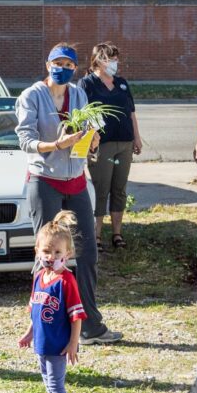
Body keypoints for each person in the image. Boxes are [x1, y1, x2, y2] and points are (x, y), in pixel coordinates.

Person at [17, 43, 122, 346]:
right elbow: (25, 140)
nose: (62, 67)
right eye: (57, 62)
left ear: (76, 68)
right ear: (47, 64)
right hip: (44, 179)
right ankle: (41, 321)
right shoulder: (32, 96)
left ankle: (89, 324)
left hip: (75, 179)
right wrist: (55, 145)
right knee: (46, 253)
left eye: (68, 64)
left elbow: (87, 131)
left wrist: (91, 141)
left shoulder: (78, 94)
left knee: (87, 252)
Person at [19, 210, 85, 393]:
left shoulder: (66, 281)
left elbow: (76, 316)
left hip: (59, 344)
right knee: (48, 382)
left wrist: (73, 343)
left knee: (56, 384)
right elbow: (35, 312)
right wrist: (29, 333)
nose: (51, 257)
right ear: (37, 251)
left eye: (57, 252)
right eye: (47, 251)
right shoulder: (39, 277)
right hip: (42, 343)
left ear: (68, 253)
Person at [79, 42, 142, 251]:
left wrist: (137, 137)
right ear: (98, 60)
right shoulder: (87, 84)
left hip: (124, 142)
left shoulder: (122, 83)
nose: (115, 62)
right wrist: (90, 139)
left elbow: (131, 112)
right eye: (110, 58)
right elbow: (84, 114)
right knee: (100, 188)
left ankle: (117, 233)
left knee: (119, 189)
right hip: (101, 144)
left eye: (116, 58)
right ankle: (96, 234)